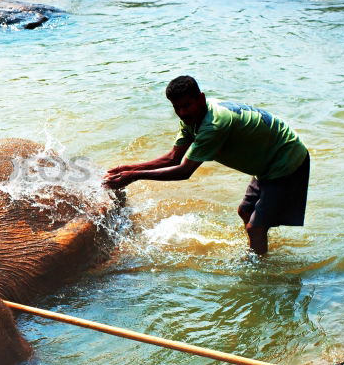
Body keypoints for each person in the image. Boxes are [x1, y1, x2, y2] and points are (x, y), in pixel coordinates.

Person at [103, 76, 309, 255]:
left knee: (255, 227)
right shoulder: (192, 118)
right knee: (245, 212)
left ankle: (260, 269)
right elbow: (173, 158)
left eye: (186, 106)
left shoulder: (214, 125)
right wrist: (127, 169)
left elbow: (184, 171)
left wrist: (134, 176)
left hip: (285, 159)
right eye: (177, 108)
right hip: (266, 160)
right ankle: (260, 247)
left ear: (201, 98)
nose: (182, 112)